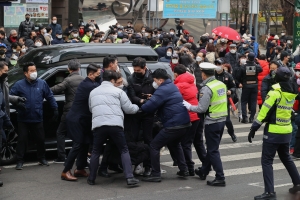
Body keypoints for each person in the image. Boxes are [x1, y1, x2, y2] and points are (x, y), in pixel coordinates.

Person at [248, 67, 300, 200]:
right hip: (286, 130)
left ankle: (269, 193)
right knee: (286, 157)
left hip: (273, 131)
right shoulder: (292, 92)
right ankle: (298, 182)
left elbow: (265, 110)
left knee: (266, 161)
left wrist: (254, 127)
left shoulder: (275, 92)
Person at [88, 70, 140, 186]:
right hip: (115, 125)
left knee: (96, 151)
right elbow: (129, 109)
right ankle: (129, 178)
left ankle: (91, 178)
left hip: (98, 125)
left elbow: (91, 108)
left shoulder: (93, 92)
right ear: (112, 80)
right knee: (124, 149)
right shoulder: (118, 92)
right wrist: (137, 107)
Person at [141, 69, 191, 182]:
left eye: (154, 80)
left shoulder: (162, 89)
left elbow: (149, 107)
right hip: (184, 123)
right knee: (175, 144)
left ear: (160, 80)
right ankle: (184, 169)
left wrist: (142, 105)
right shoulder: (171, 86)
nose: (154, 83)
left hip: (173, 124)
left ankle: (156, 174)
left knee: (154, 146)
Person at [183, 62, 227, 187]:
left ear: (203, 74)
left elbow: (201, 108)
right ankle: (204, 170)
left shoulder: (207, 88)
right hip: (221, 120)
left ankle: (220, 177)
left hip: (212, 121)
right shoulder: (221, 84)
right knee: (212, 148)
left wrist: (189, 106)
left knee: (213, 151)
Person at [10, 62, 58, 170]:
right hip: (23, 118)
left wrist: (55, 108)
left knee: (40, 139)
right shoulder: (19, 84)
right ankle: (19, 161)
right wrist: (18, 103)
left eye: (35, 70)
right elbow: (10, 97)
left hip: (37, 117)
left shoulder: (42, 83)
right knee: (22, 140)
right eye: (31, 71)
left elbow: (49, 96)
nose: (34, 73)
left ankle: (42, 158)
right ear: (25, 73)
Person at [61, 63, 100, 181]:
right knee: (78, 144)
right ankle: (65, 171)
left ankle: (79, 168)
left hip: (83, 119)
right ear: (90, 74)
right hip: (76, 119)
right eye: (98, 74)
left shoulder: (90, 83)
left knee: (85, 143)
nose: (100, 76)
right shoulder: (88, 85)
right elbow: (101, 87)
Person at [50, 60, 84, 163]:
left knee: (60, 132)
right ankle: (79, 156)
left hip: (69, 110)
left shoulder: (68, 80)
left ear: (69, 69)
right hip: (82, 110)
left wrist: (43, 89)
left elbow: (55, 89)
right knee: (78, 134)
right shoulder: (83, 79)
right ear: (79, 69)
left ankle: (61, 156)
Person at [127, 57, 155, 176]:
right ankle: (137, 163)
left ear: (145, 68)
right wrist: (142, 101)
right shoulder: (131, 78)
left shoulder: (152, 78)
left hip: (149, 113)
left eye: (139, 70)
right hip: (136, 113)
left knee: (149, 139)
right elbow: (132, 96)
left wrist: (147, 101)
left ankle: (149, 166)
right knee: (134, 139)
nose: (136, 72)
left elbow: (156, 96)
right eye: (135, 70)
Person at [173, 64, 200, 175]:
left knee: (184, 143)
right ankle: (189, 167)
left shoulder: (178, 85)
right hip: (195, 116)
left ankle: (189, 168)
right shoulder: (191, 82)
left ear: (175, 74)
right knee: (189, 142)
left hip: (186, 117)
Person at [0, 62, 15, 187]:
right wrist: (7, 120)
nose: (7, 73)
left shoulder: (3, 82)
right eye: (5, 71)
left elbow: (4, 97)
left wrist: (15, 99)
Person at [214, 59, 237, 142]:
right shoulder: (213, 76)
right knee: (215, 121)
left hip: (225, 101)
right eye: (216, 64)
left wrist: (231, 91)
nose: (217, 66)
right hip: (214, 102)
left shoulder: (228, 76)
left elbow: (233, 86)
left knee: (226, 120)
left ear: (223, 65)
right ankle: (216, 138)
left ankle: (232, 133)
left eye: (219, 64)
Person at [238, 53, 263, 123]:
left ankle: (245, 117)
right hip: (254, 85)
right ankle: (252, 117)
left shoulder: (243, 66)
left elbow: (239, 76)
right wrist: (257, 62)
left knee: (243, 102)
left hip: (246, 85)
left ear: (247, 58)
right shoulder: (256, 66)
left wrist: (241, 82)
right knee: (253, 102)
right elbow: (261, 69)